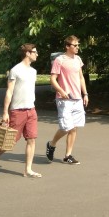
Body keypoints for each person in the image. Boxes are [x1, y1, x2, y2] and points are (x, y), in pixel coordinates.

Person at [0, 43, 42, 178]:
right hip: (17, 111)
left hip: (31, 110)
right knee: (10, 142)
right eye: (35, 52)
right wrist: (5, 112)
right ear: (28, 53)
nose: (37, 54)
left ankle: (28, 170)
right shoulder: (15, 70)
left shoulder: (33, 71)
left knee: (32, 139)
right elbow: (9, 92)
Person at [46, 35, 88, 165]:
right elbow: (53, 79)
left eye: (78, 45)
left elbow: (81, 77)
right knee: (66, 127)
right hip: (64, 99)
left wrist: (85, 93)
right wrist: (61, 91)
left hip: (77, 99)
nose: (77, 47)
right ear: (67, 46)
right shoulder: (60, 60)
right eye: (75, 45)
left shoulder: (78, 59)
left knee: (74, 128)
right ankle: (51, 144)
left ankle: (67, 155)